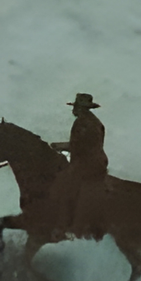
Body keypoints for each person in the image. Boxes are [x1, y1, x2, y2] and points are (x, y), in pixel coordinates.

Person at [50, 92, 110, 238]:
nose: (74, 109)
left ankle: (63, 226)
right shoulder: (91, 121)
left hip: (89, 163)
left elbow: (79, 146)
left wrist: (58, 146)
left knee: (62, 183)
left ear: (82, 109)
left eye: (76, 107)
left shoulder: (84, 123)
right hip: (94, 161)